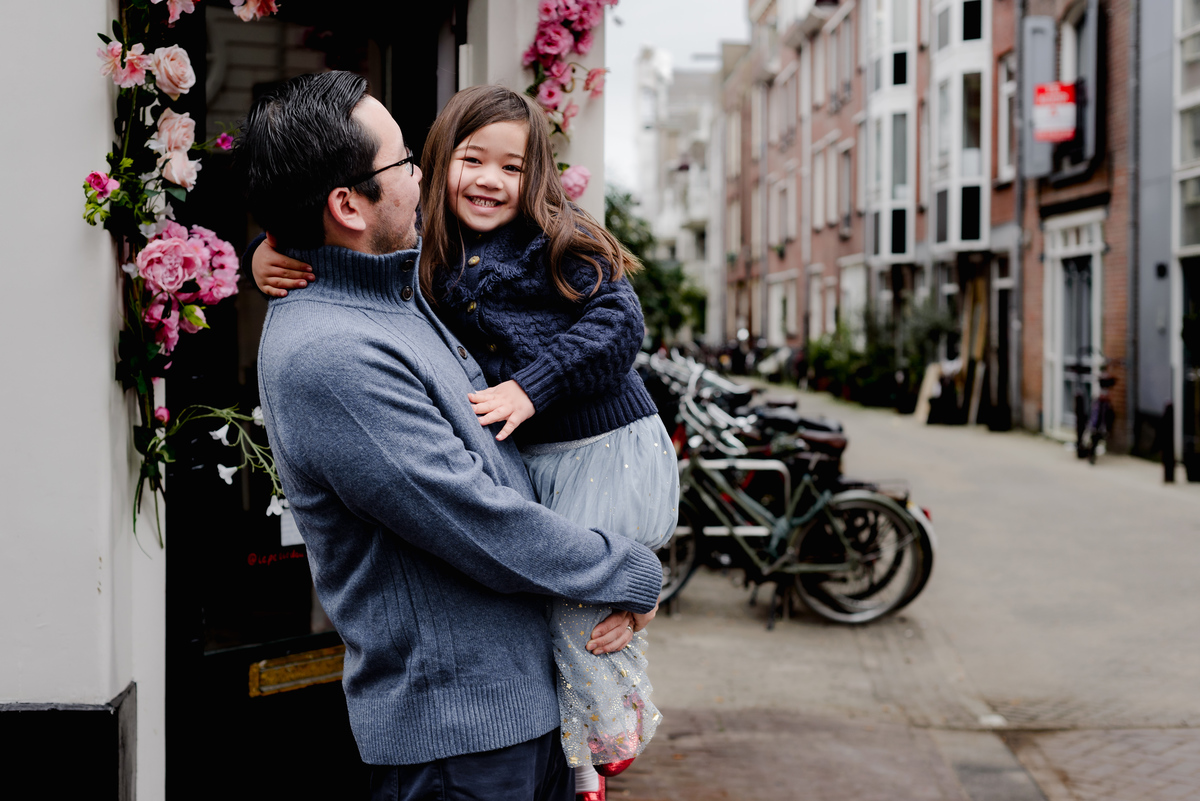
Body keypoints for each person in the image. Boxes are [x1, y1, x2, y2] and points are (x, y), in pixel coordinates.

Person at [236, 71, 663, 801]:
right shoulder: (332, 354)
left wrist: (265, 249)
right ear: (347, 204)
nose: (423, 176)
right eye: (405, 161)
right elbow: (472, 518)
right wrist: (628, 569)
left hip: (511, 717)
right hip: (461, 742)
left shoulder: (395, 289)